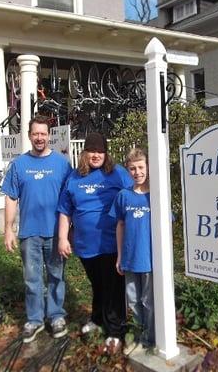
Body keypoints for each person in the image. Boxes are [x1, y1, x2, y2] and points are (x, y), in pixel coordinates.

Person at [58, 132, 134, 352]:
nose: (96, 155)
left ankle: (115, 331)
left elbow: (136, 192)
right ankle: (98, 319)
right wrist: (63, 238)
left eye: (101, 151)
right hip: (85, 245)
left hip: (112, 244)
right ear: (85, 153)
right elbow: (65, 211)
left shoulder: (117, 173)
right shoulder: (74, 177)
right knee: (98, 284)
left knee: (113, 287)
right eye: (92, 151)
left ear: (106, 153)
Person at [1, 115, 72, 343]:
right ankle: (34, 319)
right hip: (29, 233)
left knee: (56, 275)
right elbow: (11, 198)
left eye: (43, 133)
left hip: (55, 233)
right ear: (29, 136)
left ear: (48, 135)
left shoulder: (62, 164)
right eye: (35, 134)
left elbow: (70, 200)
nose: (39, 138)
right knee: (32, 279)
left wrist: (70, 232)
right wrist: (8, 229)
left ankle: (56, 316)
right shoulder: (19, 165)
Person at [109, 148, 155, 355]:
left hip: (150, 258)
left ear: (148, 167)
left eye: (141, 167)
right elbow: (120, 225)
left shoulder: (156, 195)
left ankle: (151, 337)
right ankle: (138, 334)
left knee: (149, 301)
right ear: (128, 171)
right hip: (129, 258)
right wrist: (120, 255)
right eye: (132, 169)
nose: (137, 172)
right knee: (134, 300)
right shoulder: (123, 196)